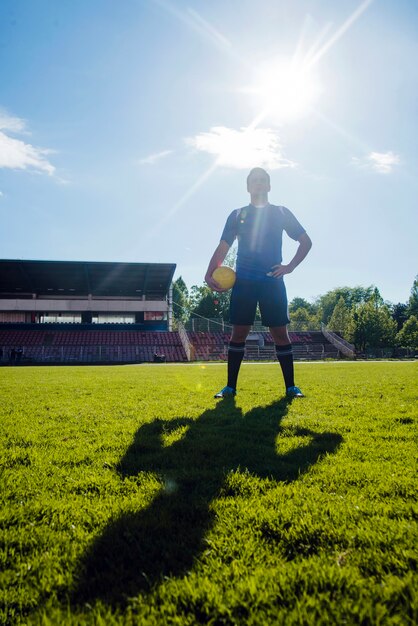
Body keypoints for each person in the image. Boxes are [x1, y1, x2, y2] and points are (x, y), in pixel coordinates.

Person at [205, 167, 312, 399]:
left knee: (280, 334)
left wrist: (289, 267)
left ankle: (291, 387)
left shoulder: (281, 212)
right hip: (243, 283)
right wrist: (209, 272)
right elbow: (224, 245)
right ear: (248, 187)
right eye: (255, 181)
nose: (259, 184)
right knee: (238, 334)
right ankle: (230, 388)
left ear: (269, 186)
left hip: (272, 282)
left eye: (263, 180)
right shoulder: (237, 214)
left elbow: (305, 241)